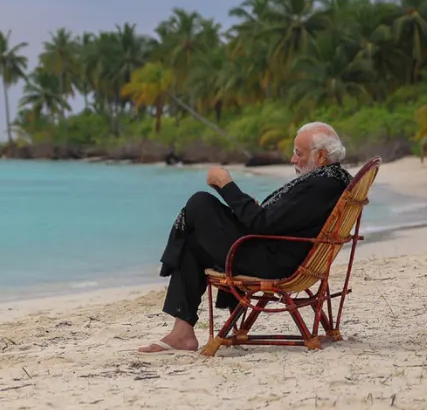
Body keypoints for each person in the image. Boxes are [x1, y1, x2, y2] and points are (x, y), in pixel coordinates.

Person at [138, 122, 353, 353]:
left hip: (275, 262)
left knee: (200, 203)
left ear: (320, 156)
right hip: (279, 253)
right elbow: (277, 220)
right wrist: (249, 207)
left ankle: (181, 325)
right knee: (193, 241)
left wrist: (226, 185)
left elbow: (261, 223)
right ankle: (182, 334)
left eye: (298, 153)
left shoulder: (321, 184)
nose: (293, 160)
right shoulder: (331, 180)